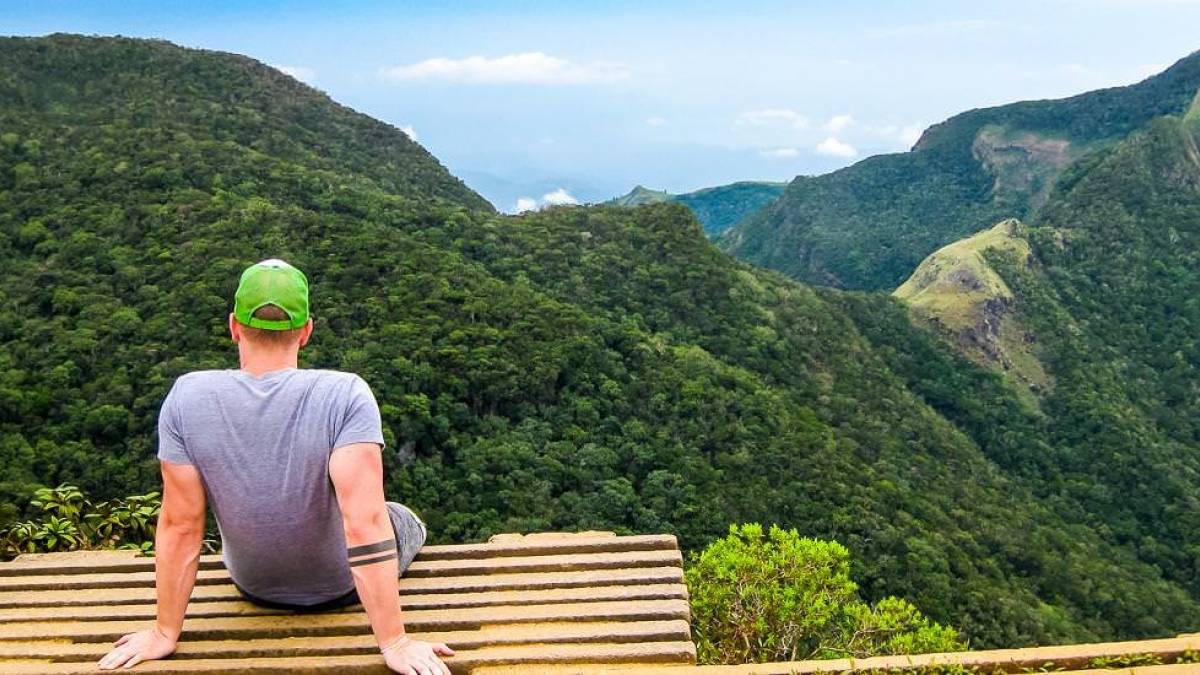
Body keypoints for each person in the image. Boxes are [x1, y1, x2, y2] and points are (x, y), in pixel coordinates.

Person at [98, 259, 453, 675]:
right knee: (399, 516)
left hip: (254, 584)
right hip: (338, 586)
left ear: (233, 326)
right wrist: (394, 642)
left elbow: (180, 524)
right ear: (306, 332)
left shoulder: (186, 397)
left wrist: (164, 632)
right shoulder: (345, 394)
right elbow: (365, 522)